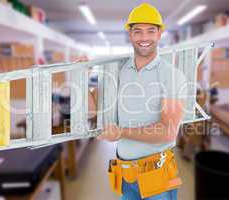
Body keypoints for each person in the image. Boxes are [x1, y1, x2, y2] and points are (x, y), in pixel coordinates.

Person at [88, 3, 186, 200]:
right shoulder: (118, 71)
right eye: (138, 31)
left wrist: (121, 132)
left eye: (151, 31)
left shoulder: (171, 75)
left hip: (156, 177)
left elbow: (168, 132)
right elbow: (92, 111)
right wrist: (81, 77)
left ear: (159, 34)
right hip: (125, 175)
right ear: (130, 35)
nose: (144, 38)